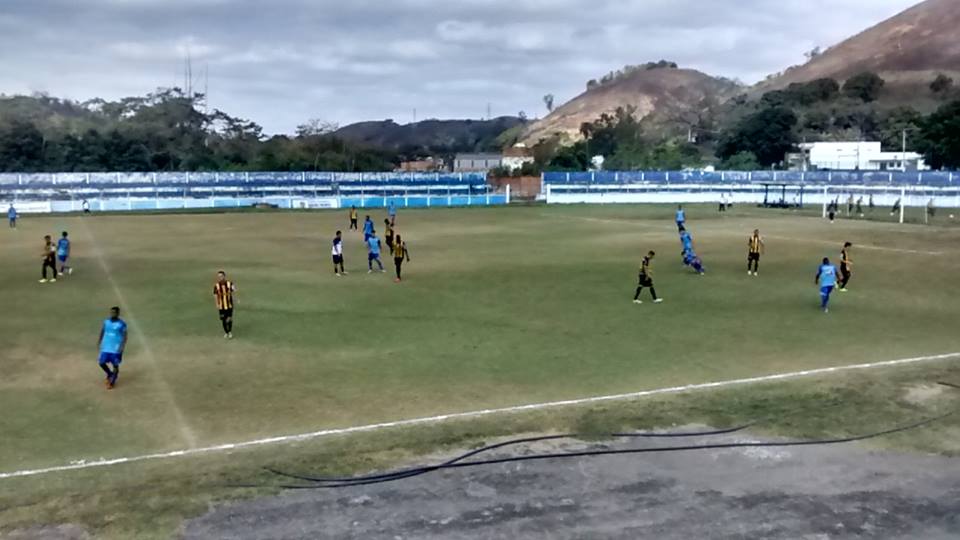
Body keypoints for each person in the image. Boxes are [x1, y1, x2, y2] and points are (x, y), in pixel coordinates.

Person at [97, 306, 128, 389]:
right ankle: (110, 374)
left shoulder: (122, 324)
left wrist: (122, 346)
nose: (112, 314)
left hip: (115, 348)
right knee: (101, 362)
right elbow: (103, 331)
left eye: (114, 312)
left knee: (115, 365)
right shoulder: (106, 322)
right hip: (106, 347)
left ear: (118, 313)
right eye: (111, 312)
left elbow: (125, 336)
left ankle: (112, 382)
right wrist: (99, 341)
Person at [213, 271, 236, 339]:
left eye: (221, 276)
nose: (220, 277)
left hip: (229, 305)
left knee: (229, 319)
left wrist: (234, 298)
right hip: (221, 305)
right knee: (223, 320)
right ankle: (226, 332)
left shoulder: (229, 283)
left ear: (224, 276)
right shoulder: (216, 286)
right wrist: (217, 303)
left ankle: (230, 332)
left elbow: (234, 291)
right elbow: (215, 295)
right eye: (219, 276)